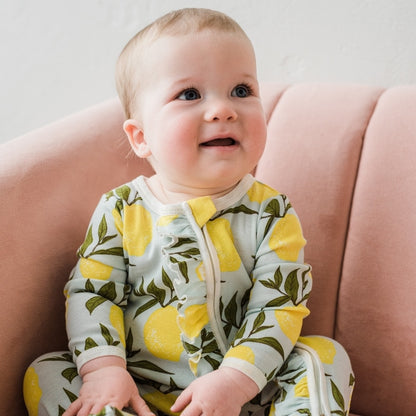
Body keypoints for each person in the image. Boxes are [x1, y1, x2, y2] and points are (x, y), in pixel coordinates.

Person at [24, 8, 354, 416]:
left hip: (248, 390)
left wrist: (234, 381)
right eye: (190, 95)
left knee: (323, 357)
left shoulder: (271, 212)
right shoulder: (121, 209)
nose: (223, 110)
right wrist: (104, 370)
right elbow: (93, 293)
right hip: (137, 390)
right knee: (46, 372)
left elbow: (277, 306)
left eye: (241, 90)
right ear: (141, 137)